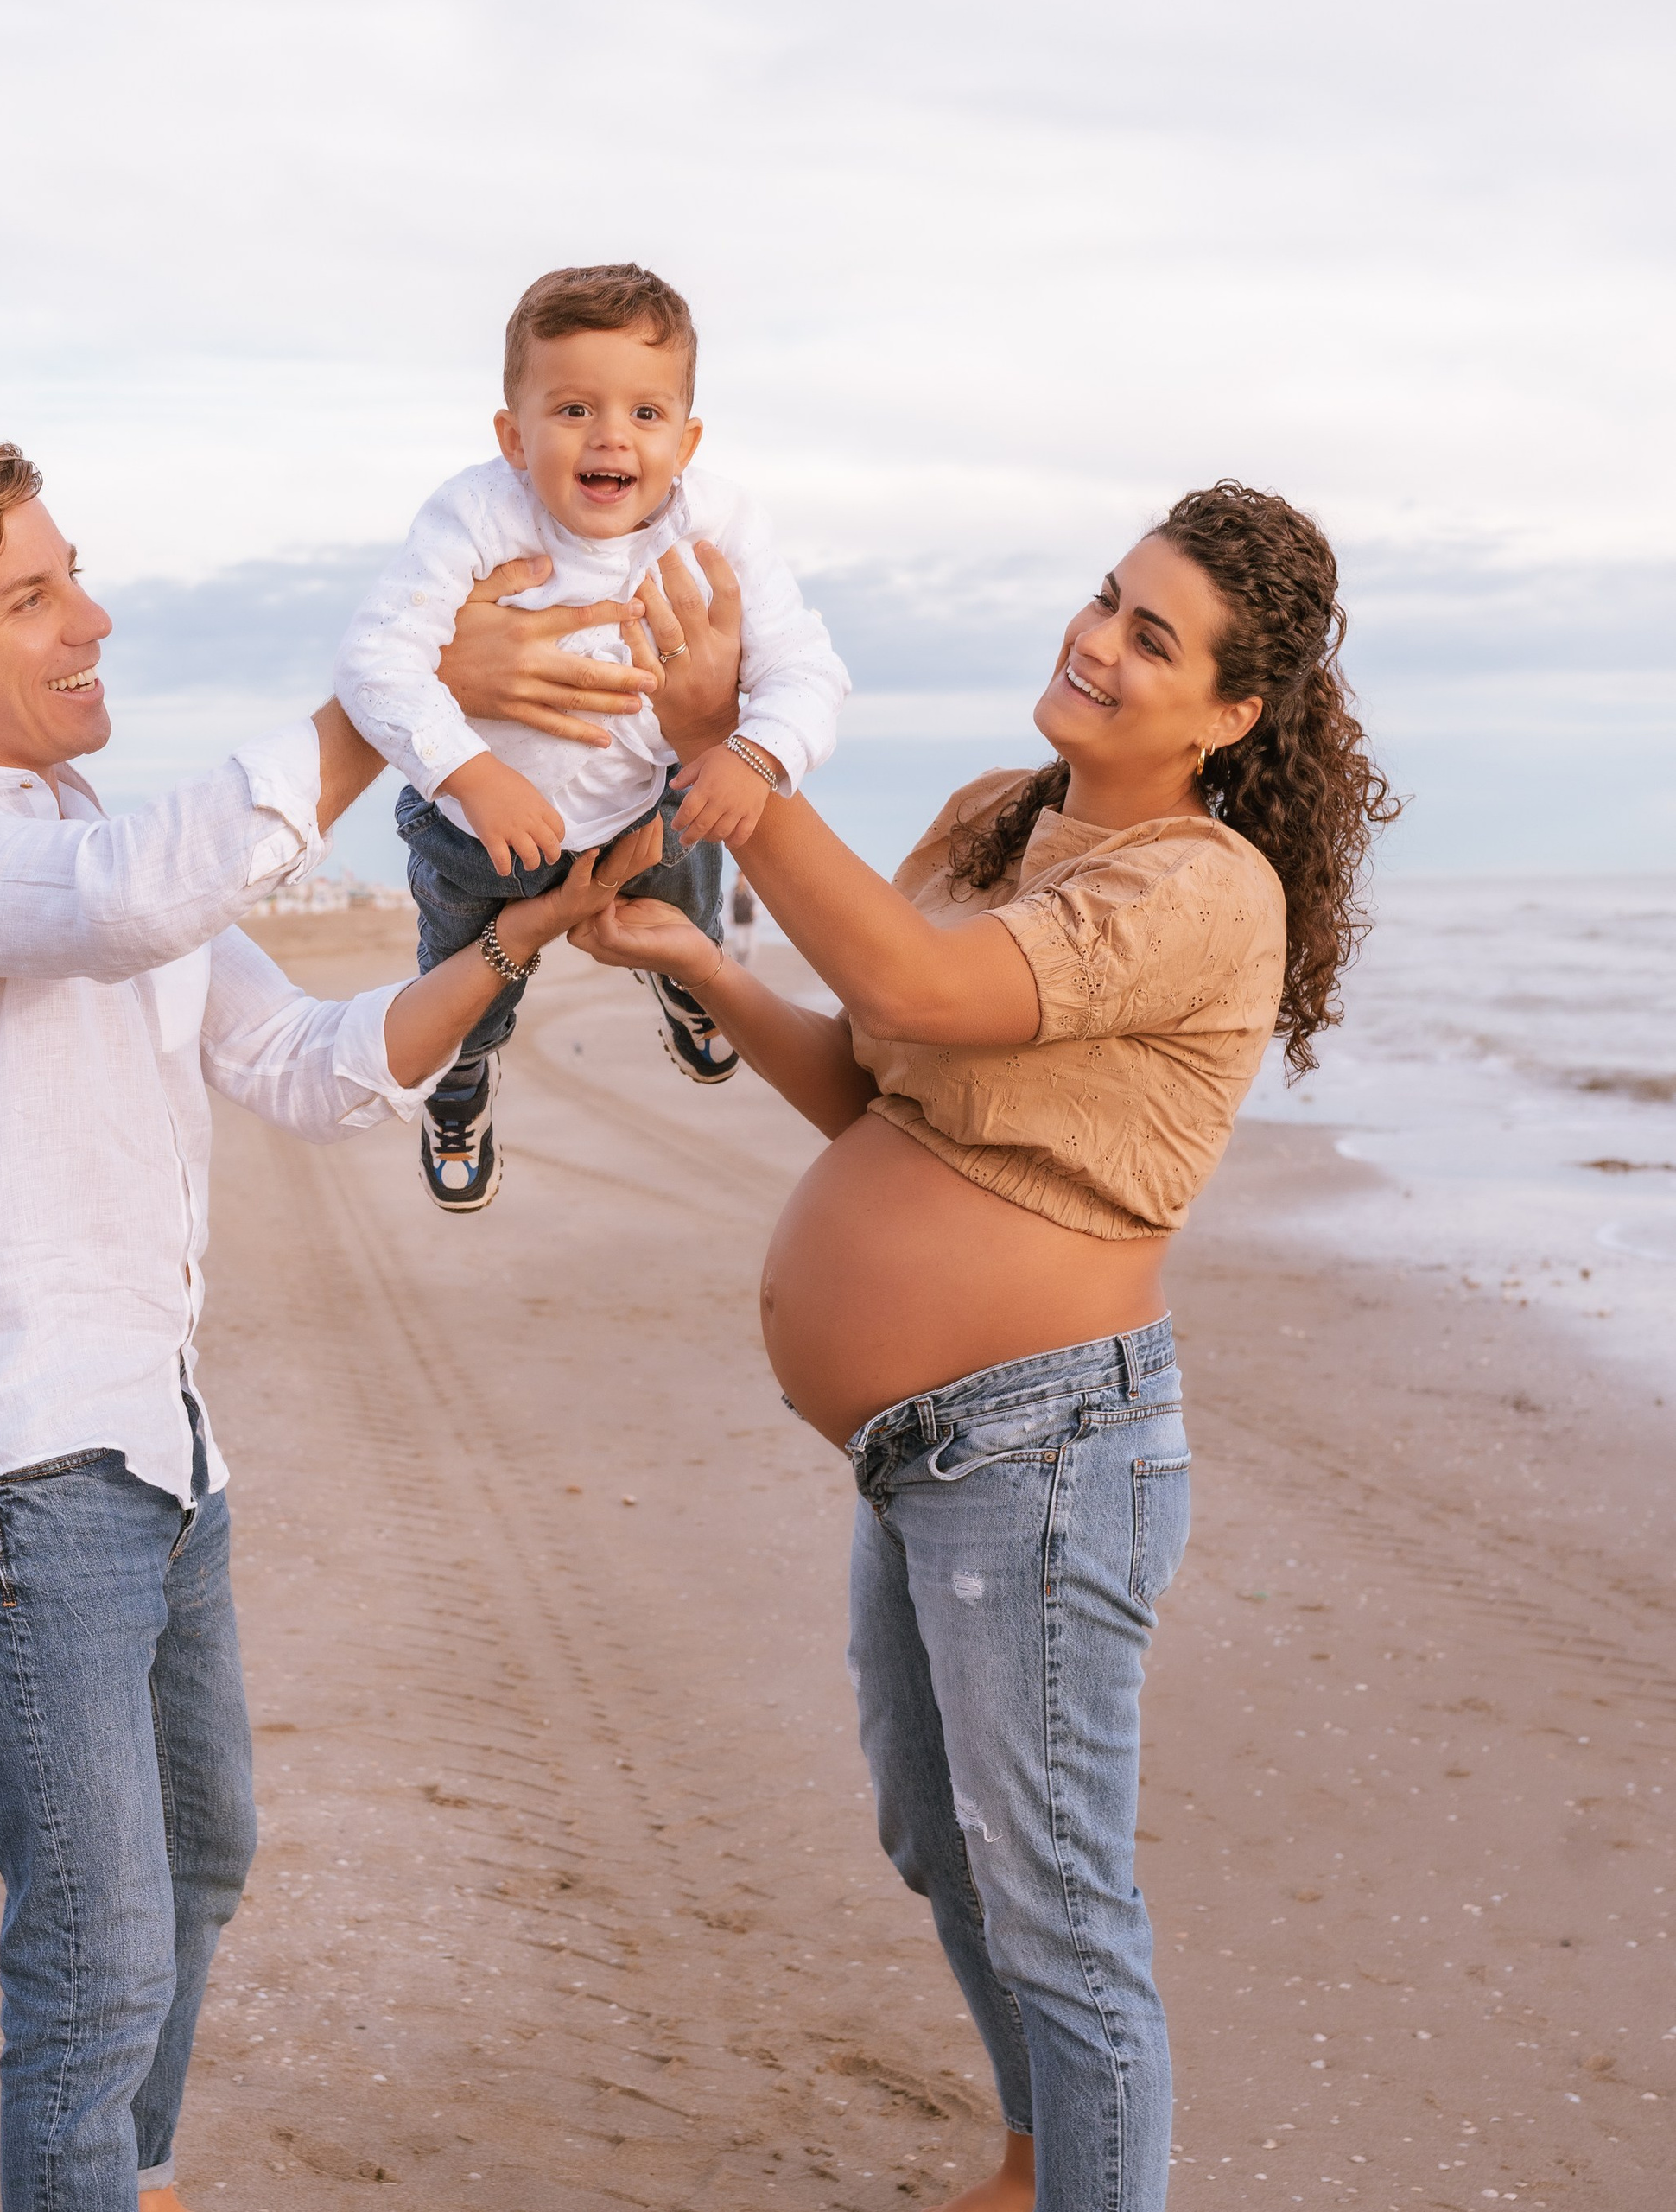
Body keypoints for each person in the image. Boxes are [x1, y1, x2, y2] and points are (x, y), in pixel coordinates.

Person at [0, 442, 651, 2212]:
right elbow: (134, 906)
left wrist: (515, 943)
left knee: (199, 1853)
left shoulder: (96, 849)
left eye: (70, 571)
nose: (90, 616)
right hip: (18, 1467)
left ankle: (141, 2177)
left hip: (156, 1455)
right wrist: (388, 701)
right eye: (28, 595)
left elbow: (309, 1068)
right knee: (94, 1950)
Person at [531, 482, 1396, 2212]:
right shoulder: (990, 820)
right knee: (942, 1841)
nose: (1094, 638)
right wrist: (702, 958)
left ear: (1230, 713)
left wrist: (743, 770)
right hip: (923, 1453)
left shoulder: (1202, 885)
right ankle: (1037, 2158)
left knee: (1058, 1900)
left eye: (1151, 636)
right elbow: (873, 1081)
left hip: (1048, 1450)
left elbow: (923, 988)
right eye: (1104, 597)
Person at [334, 262, 848, 1210]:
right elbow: (374, 660)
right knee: (464, 982)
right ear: (512, 435)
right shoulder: (476, 515)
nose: (612, 434)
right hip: (474, 829)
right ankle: (461, 1075)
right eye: (573, 409)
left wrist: (754, 751)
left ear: (686, 439)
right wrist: (473, 771)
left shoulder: (721, 524)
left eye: (646, 415)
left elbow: (810, 671)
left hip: (642, 802)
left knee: (685, 898)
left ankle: (691, 981)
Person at [727, 868, 761, 966]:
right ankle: (739, 965)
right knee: (739, 946)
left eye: (743, 877)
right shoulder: (733, 891)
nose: (741, 880)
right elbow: (729, 906)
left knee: (750, 947)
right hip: (739, 922)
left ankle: (747, 967)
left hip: (749, 923)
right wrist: (730, 916)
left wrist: (755, 911)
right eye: (740, 877)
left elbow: (758, 903)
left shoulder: (750, 890)